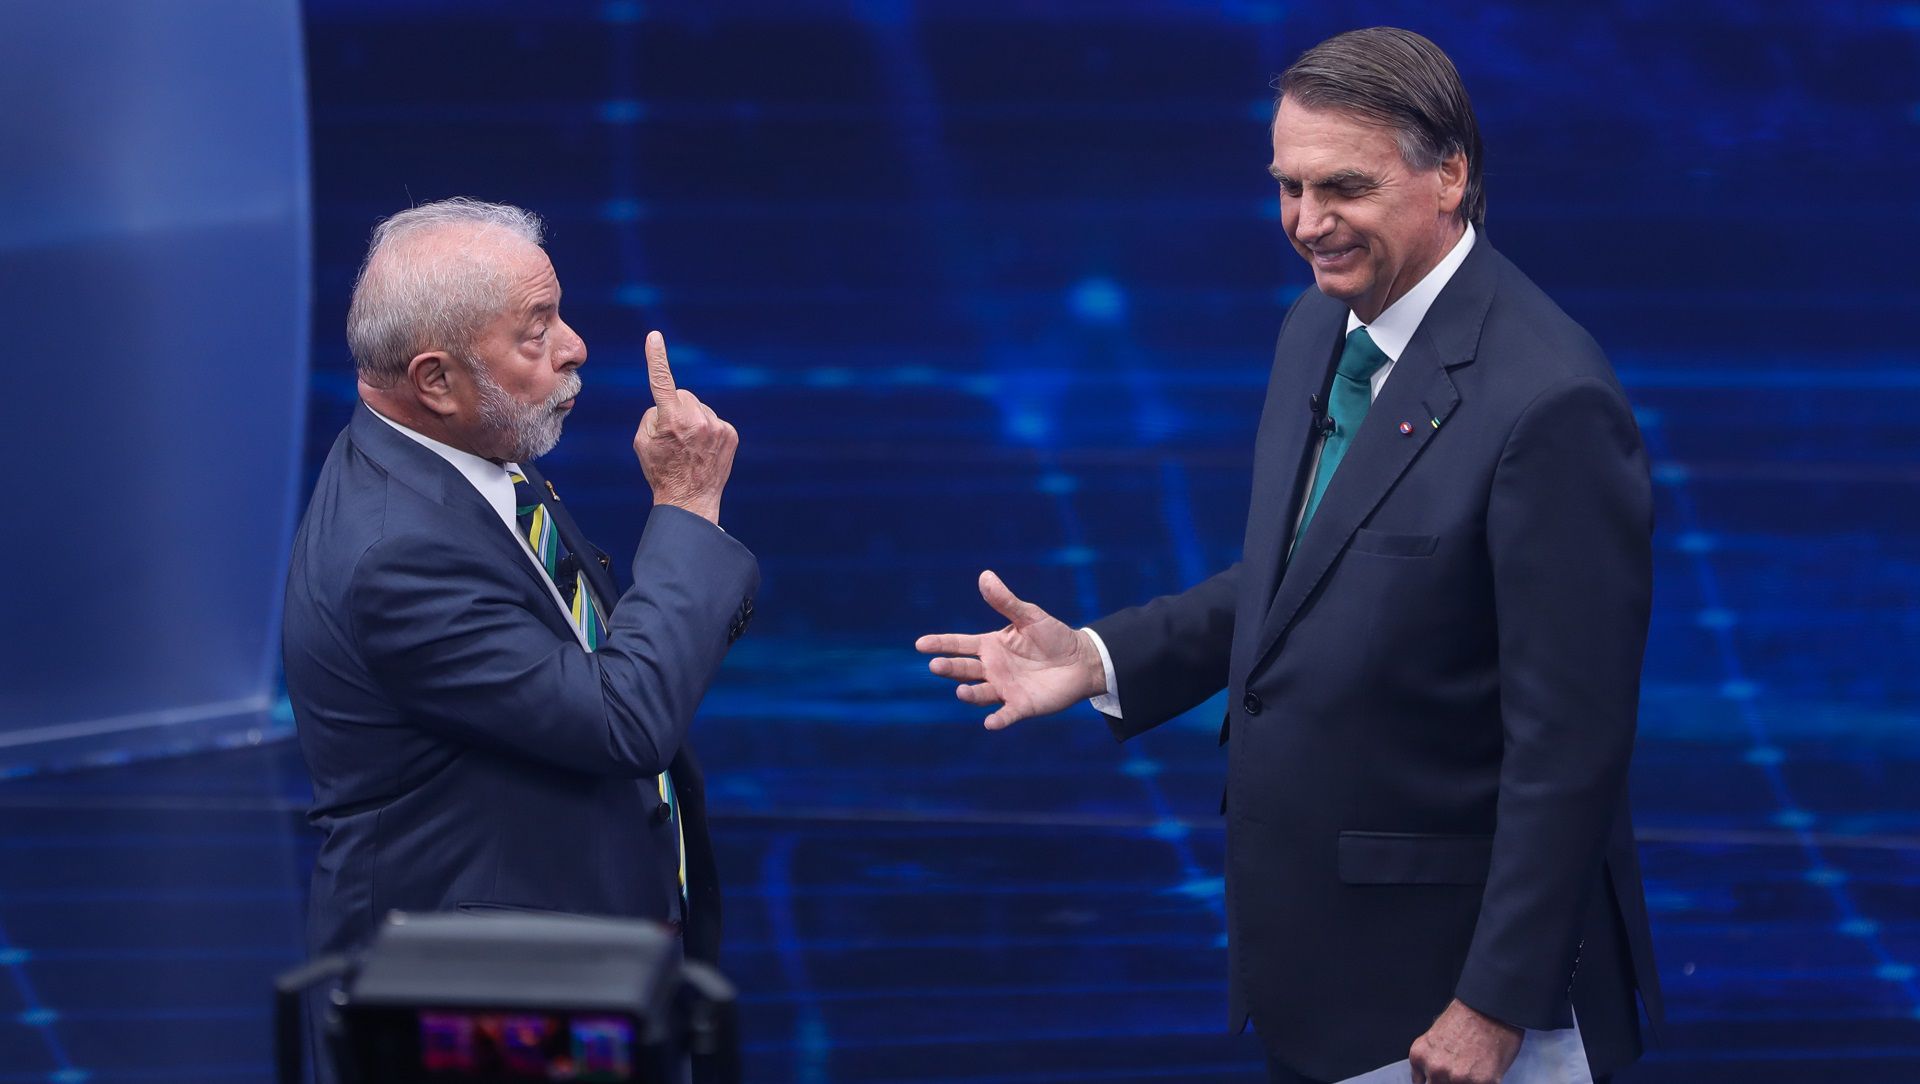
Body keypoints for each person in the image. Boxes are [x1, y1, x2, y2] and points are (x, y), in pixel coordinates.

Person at [917, 28, 1661, 1084]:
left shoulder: (1552, 401)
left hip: (1460, 1013)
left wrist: (1493, 1004)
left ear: (1451, 173)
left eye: (1342, 189)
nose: (1307, 224)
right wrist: (1099, 658)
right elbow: (1307, 585)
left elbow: (1569, 748)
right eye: (1288, 187)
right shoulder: (1318, 331)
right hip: (1326, 987)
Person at [283, 199, 756, 1076]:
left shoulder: (462, 456)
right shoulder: (396, 556)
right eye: (536, 334)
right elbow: (625, 722)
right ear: (436, 380)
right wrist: (688, 510)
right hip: (478, 1021)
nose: (574, 347)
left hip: (575, 972)